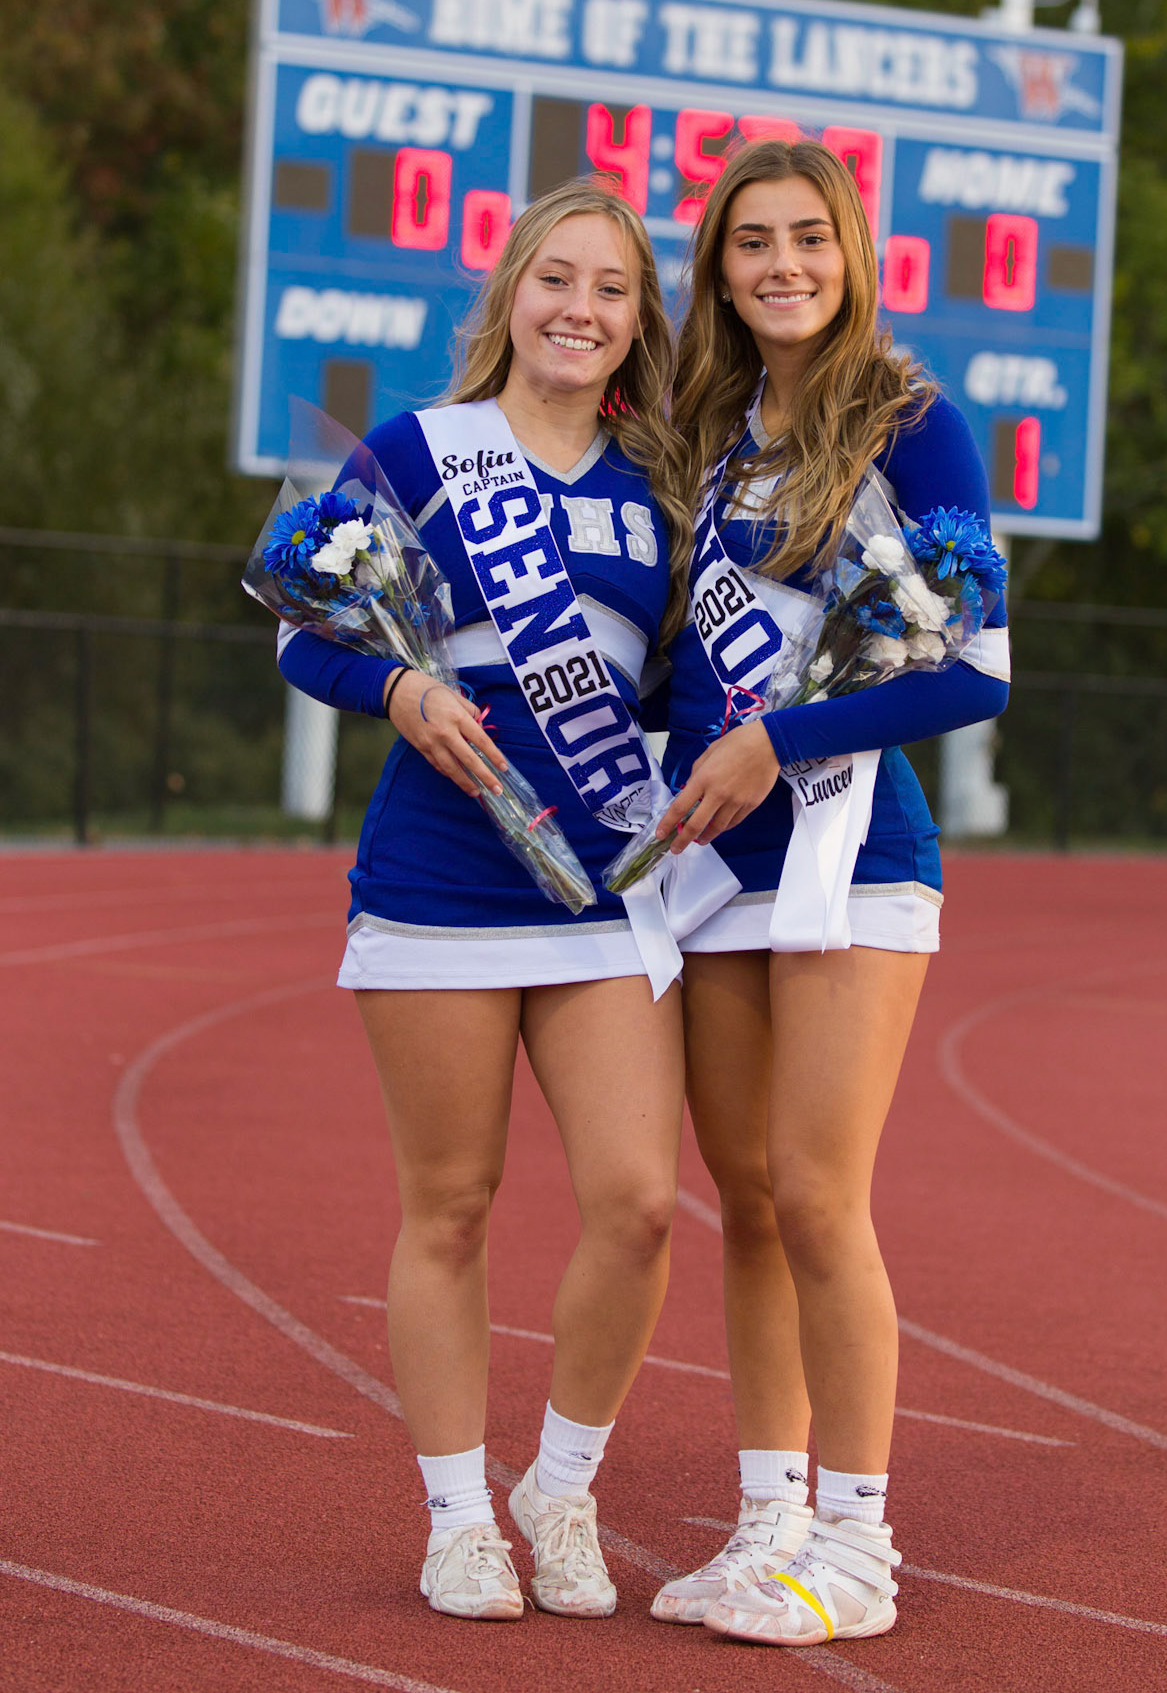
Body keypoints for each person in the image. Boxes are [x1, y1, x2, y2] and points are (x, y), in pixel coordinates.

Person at [276, 180, 694, 1623]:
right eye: (556, 278)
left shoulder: (662, 487)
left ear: (638, 323)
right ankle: (458, 1515)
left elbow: (680, 688)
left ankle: (559, 1489)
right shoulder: (419, 450)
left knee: (640, 1204)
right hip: (440, 879)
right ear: (511, 293)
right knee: (450, 1208)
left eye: (612, 289)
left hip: (599, 888)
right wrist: (396, 687)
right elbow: (304, 631)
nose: (580, 309)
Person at [647, 137, 1010, 1647]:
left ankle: (860, 1545)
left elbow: (973, 672)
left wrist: (775, 740)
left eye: (807, 237)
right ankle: (767, 1523)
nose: (782, 264)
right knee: (742, 1202)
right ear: (719, 270)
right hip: (717, 866)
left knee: (813, 1191)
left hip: (852, 853)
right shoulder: (704, 429)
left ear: (850, 253)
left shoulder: (913, 423)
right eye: (752, 242)